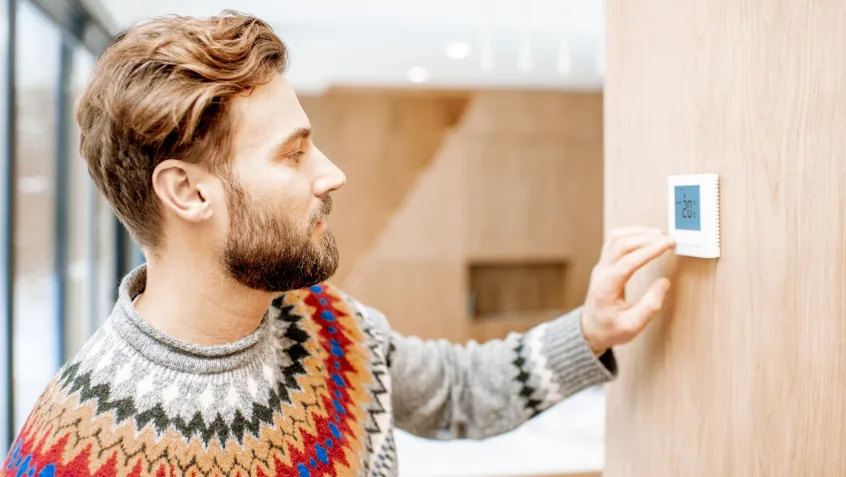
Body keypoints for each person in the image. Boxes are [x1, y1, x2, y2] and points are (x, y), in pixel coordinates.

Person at [1, 11, 675, 477]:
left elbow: (458, 392)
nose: (332, 174)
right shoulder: (69, 452)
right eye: (293, 155)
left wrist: (589, 331)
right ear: (188, 192)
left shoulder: (322, 320)